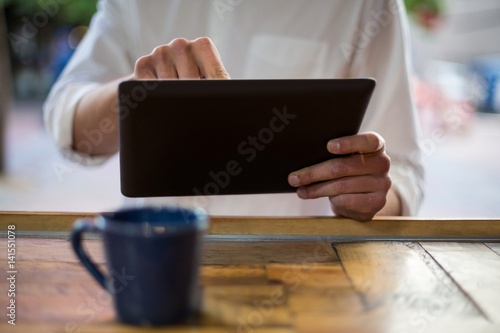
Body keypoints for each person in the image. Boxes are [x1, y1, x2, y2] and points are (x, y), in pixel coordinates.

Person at [43, 0, 424, 221]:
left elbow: (403, 172)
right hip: (159, 264)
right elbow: (66, 122)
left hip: (302, 278)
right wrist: (136, 92)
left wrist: (371, 196)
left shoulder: (367, 6)